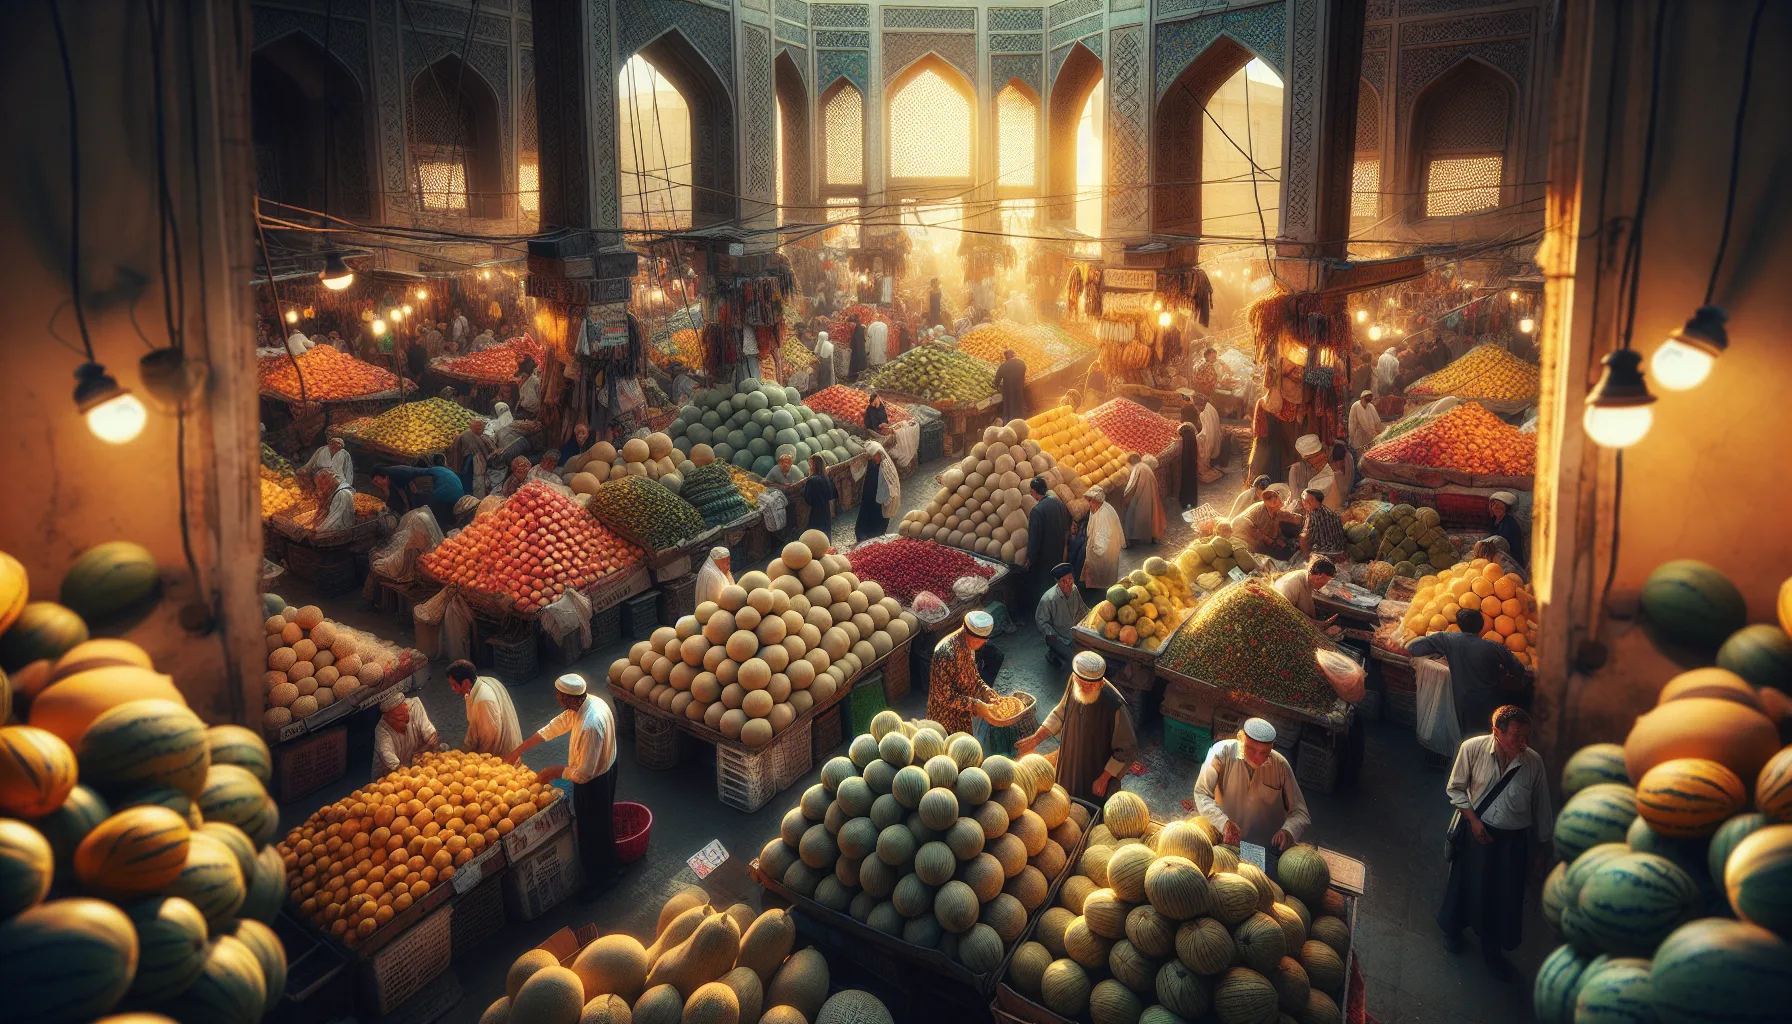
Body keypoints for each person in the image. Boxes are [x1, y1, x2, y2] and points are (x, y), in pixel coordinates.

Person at [1438, 705, 1553, 981]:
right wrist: (1473, 821)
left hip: (1512, 842)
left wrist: (1543, 849)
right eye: (1516, 737)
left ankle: (1492, 948)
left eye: (1527, 736)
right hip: (1477, 832)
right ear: (1496, 733)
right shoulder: (1473, 749)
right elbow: (1455, 787)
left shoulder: (1533, 763)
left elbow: (1542, 808)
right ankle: (1453, 931)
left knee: (1503, 895)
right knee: (1466, 884)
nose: (1523, 743)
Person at [508, 674, 619, 900]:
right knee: (601, 824)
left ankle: (600, 883)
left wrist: (556, 771)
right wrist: (518, 750)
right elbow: (554, 727)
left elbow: (584, 774)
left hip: (595, 780)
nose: (557, 698)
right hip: (606, 767)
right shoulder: (586, 704)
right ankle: (611, 869)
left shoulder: (590, 725)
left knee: (591, 832)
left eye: (560, 696)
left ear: (570, 699)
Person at [1015, 651, 1137, 802]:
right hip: (1070, 759)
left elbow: (1126, 749)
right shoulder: (1074, 683)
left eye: (1090, 685)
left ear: (1100, 683)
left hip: (1096, 767)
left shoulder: (1115, 706)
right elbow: (1061, 712)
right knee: (1064, 798)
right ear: (1074, 677)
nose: (1084, 688)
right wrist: (1036, 738)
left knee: (1091, 806)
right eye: (1080, 683)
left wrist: (1104, 778)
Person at [1193, 717, 1311, 855]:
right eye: (1251, 749)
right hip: (1223, 838)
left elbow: (1301, 813)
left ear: (1272, 747)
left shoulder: (1280, 765)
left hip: (1263, 847)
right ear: (1241, 739)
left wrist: (1288, 831)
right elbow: (1201, 793)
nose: (1257, 758)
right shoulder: (1220, 753)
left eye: (1264, 753)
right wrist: (1223, 823)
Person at [1407, 607, 1528, 733]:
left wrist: (1441, 654)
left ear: (1459, 624)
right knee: (1488, 739)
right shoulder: (1494, 647)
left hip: (1462, 703)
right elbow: (1519, 669)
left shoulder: (1448, 639)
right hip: (1491, 704)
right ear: (1481, 625)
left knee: (1467, 739)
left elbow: (1414, 647)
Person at [926, 610, 1000, 735]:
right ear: (966, 632)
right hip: (944, 719)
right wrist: (976, 705)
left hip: (963, 715)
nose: (981, 645)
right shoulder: (945, 653)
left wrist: (984, 690)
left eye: (984, 642)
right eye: (979, 642)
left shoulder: (969, 645)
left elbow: (973, 676)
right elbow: (944, 697)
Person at [447, 659, 522, 756]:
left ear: (465, 682)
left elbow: (490, 738)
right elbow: (474, 726)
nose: (452, 689)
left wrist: (478, 760)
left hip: (501, 755)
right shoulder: (477, 686)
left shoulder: (483, 700)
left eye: (454, 685)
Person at [371, 688, 442, 776]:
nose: (406, 719)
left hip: (417, 765)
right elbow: (389, 758)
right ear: (386, 718)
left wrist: (433, 744)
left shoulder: (413, 706)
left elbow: (428, 730)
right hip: (392, 775)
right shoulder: (382, 730)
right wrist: (405, 773)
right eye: (399, 717)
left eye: (406, 713)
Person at [372, 462, 464, 528]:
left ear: (377, 477)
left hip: (445, 491)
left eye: (375, 481)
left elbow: (403, 495)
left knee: (433, 517)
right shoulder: (397, 471)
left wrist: (407, 513)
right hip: (457, 494)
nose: (377, 484)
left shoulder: (395, 474)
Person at [1034, 564, 1088, 670]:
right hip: (1060, 637)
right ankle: (1053, 653)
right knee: (1075, 660)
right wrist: (1052, 635)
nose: (1068, 583)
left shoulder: (1074, 589)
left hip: (1075, 632)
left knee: (1089, 654)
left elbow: (1083, 609)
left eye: (1070, 578)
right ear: (1057, 582)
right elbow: (1040, 621)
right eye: (1064, 581)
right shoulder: (1048, 599)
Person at [1233, 488, 1298, 560]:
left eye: (1276, 498)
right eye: (1272, 499)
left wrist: (1277, 540)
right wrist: (1270, 541)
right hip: (1244, 541)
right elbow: (1242, 523)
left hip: (1261, 545)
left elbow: (1274, 532)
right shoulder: (1258, 509)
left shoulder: (1276, 513)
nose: (1275, 502)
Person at [1025, 476, 1071, 578]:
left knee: (1043, 584)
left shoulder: (1036, 511)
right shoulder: (1059, 503)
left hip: (1044, 559)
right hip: (1058, 554)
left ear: (1033, 491)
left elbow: (1034, 538)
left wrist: (1030, 558)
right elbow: (1066, 526)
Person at [1274, 557, 1339, 627]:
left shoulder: (1308, 576)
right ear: (1320, 576)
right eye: (1326, 581)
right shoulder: (1292, 584)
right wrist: (1315, 623)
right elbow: (1285, 611)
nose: (1325, 584)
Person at [1080, 487, 1124, 590]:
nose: (1089, 503)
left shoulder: (1104, 514)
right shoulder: (1096, 508)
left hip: (1104, 549)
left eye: (1091, 500)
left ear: (1097, 500)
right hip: (1099, 547)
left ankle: (1098, 591)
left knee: (1100, 570)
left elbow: (1103, 536)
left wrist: (1096, 550)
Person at [855, 441, 899, 541]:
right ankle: (863, 535)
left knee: (878, 523)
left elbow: (891, 485)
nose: (873, 458)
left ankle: (875, 538)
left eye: (875, 455)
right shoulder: (872, 463)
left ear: (880, 454)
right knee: (865, 519)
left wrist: (885, 497)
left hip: (879, 500)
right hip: (869, 497)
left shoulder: (886, 467)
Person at [1120, 453, 1166, 546]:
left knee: (1132, 515)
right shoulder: (1144, 467)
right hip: (1149, 495)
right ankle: (1148, 536)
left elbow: (1131, 485)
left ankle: (1133, 539)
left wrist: (1125, 496)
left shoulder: (1138, 468)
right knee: (1150, 515)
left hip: (1142, 496)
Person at [446, 418, 496, 497]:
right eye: (481, 429)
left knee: (468, 482)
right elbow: (478, 452)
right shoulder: (469, 436)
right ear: (477, 428)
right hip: (468, 462)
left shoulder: (471, 434)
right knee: (469, 483)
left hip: (464, 462)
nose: (482, 431)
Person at [1298, 487, 1348, 559]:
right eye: (1304, 500)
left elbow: (1307, 538)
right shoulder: (1324, 509)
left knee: (1302, 541)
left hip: (1331, 551)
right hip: (1341, 548)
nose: (1305, 502)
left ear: (1317, 501)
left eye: (1309, 500)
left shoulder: (1315, 515)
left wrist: (1305, 553)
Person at [1486, 491, 1527, 566]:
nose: (1496, 508)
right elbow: (1488, 537)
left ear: (1506, 508)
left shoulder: (1510, 523)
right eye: (1494, 504)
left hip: (1510, 562)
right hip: (1496, 557)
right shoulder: (1493, 520)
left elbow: (1500, 542)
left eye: (1499, 506)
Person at [803, 455, 837, 537]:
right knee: (826, 535)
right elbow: (832, 494)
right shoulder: (826, 477)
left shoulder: (812, 480)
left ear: (814, 465)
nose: (809, 467)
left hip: (816, 513)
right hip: (826, 511)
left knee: (816, 537)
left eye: (810, 464)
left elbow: (808, 498)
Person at [1287, 434, 1327, 501]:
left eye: (1319, 455)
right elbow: (1295, 498)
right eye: (1310, 458)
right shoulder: (1296, 470)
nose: (1315, 460)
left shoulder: (1332, 465)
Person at [1195, 394, 1224, 483]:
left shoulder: (1205, 413)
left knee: (1199, 447)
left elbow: (1207, 431)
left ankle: (1203, 471)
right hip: (1211, 436)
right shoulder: (1209, 408)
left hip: (1207, 438)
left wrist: (1197, 437)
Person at [994, 348, 1028, 422]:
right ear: (1013, 355)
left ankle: (1011, 425)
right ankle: (1023, 422)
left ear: (1006, 358)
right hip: (1019, 389)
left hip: (1008, 393)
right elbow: (1024, 375)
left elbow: (996, 382)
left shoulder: (1002, 366)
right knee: (1020, 406)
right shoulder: (1021, 363)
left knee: (1009, 410)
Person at [1176, 423, 1203, 511]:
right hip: (1192, 465)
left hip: (1186, 466)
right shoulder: (1192, 439)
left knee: (1186, 481)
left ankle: (1185, 502)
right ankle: (1192, 501)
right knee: (1192, 481)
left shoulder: (1184, 441)